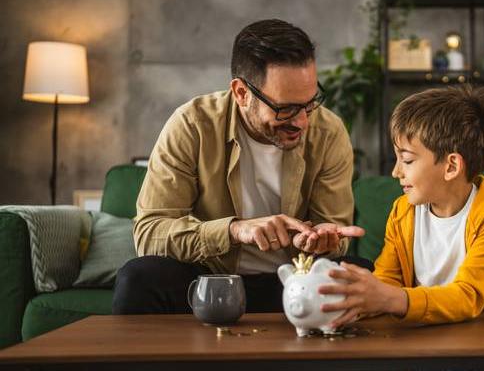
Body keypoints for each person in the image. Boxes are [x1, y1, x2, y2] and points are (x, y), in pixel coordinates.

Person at [112, 19, 367, 315]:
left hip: (294, 283)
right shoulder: (192, 125)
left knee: (360, 273)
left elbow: (332, 236)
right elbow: (149, 234)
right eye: (286, 108)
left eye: (310, 103)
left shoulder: (329, 131)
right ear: (241, 93)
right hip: (208, 282)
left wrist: (316, 242)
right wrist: (233, 230)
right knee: (139, 277)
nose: (302, 121)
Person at [318, 85, 484, 327]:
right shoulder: (402, 211)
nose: (395, 171)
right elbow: (388, 278)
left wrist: (391, 298)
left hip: (483, 332)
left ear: (452, 166)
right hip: (424, 330)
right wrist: (358, 302)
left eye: (407, 160)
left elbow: (468, 296)